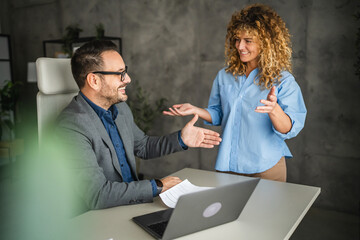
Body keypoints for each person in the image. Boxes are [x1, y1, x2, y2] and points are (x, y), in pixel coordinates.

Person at [56, 40, 222, 214]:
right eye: (120, 73)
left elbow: (142, 146)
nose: (128, 79)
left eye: (125, 71)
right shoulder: (71, 127)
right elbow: (98, 195)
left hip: (133, 205)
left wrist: (181, 138)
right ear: (94, 80)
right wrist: (157, 186)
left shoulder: (119, 108)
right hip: (99, 218)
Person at [163, 4, 306, 182]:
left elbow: (290, 128)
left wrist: (274, 109)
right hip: (229, 165)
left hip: (267, 166)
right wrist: (196, 110)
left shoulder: (283, 80)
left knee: (264, 211)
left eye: (248, 40)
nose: (240, 46)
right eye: (237, 39)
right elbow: (219, 114)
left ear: (266, 42)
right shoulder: (224, 76)